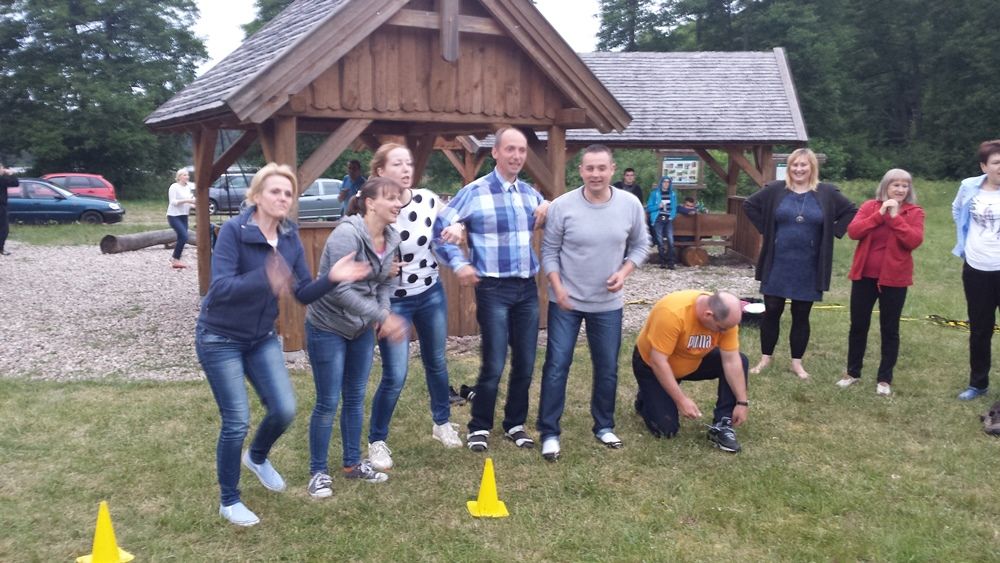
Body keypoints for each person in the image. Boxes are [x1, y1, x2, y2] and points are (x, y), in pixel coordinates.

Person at [195, 163, 370, 527]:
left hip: (260, 337)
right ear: (257, 195)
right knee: (236, 421)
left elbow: (302, 292)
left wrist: (332, 278)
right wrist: (265, 275)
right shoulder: (234, 231)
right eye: (275, 191)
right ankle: (229, 500)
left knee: (285, 409)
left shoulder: (289, 238)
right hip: (220, 337)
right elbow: (220, 287)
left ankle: (257, 457)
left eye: (288, 193)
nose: (283, 198)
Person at [433, 126, 550, 453]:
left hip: (526, 289)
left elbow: (554, 216)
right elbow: (440, 230)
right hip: (493, 289)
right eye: (510, 149)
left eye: (521, 150)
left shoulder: (529, 194)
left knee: (525, 362)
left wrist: (549, 204)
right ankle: (479, 426)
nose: (516, 156)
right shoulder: (474, 191)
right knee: (495, 362)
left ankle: (515, 424)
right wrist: (459, 263)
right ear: (496, 152)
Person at [537, 144, 649, 461]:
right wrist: (556, 286)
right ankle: (549, 432)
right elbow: (549, 251)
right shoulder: (562, 206)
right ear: (581, 171)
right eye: (589, 168)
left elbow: (641, 245)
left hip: (608, 304)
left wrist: (624, 272)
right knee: (557, 365)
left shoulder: (630, 204)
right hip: (566, 302)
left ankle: (604, 426)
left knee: (607, 367)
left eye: (601, 168)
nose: (595, 174)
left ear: (612, 170)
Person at [305, 176, 408, 499]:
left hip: (361, 328)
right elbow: (340, 290)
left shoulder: (391, 237)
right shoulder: (347, 234)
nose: (398, 204)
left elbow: (387, 281)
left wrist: (382, 312)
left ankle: (352, 464)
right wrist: (382, 317)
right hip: (327, 325)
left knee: (354, 397)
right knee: (328, 401)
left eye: (399, 198)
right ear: (370, 203)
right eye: (391, 198)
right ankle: (318, 472)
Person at [365, 143, 466, 473]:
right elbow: (358, 256)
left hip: (430, 293)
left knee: (437, 362)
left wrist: (457, 227)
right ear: (381, 171)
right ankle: (376, 440)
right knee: (395, 375)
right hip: (393, 302)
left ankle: (442, 423)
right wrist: (380, 268)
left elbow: (453, 221)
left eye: (409, 163)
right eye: (397, 164)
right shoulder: (374, 209)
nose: (406, 169)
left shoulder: (427, 199)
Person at [743, 148, 857, 379]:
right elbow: (749, 205)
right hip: (778, 261)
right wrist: (767, 228)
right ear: (789, 167)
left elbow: (851, 210)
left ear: (812, 167)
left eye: (803, 165)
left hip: (809, 263)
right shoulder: (776, 189)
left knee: (801, 314)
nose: (799, 169)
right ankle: (765, 358)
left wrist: (833, 231)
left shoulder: (826, 192)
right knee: (772, 310)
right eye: (794, 165)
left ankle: (797, 363)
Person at [838, 169, 924, 396]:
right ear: (886, 187)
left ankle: (884, 379)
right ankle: (852, 373)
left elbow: (914, 241)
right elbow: (853, 232)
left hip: (894, 280)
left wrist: (895, 218)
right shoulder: (870, 206)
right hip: (864, 277)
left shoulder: (914, 212)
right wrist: (880, 214)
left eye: (904, 186)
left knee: (890, 328)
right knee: (858, 325)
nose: (900, 189)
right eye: (896, 185)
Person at [632, 290, 749, 453]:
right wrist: (681, 400)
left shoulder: (726, 319)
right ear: (708, 315)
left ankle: (723, 424)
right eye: (721, 329)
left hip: (693, 361)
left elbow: (731, 361)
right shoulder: (672, 313)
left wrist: (742, 402)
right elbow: (658, 362)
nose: (724, 332)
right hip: (652, 366)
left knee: (741, 360)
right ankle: (646, 397)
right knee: (666, 430)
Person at [952, 140, 1000, 401]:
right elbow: (957, 209)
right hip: (977, 269)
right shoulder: (969, 187)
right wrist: (965, 241)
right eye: (996, 162)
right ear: (984, 166)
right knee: (980, 329)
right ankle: (978, 384)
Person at [646, 175, 678, 270]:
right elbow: (649, 208)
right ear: (661, 183)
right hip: (658, 219)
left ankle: (671, 262)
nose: (666, 184)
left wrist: (671, 216)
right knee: (660, 241)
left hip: (668, 219)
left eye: (668, 182)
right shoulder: (654, 194)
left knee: (671, 241)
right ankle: (663, 261)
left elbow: (674, 207)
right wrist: (658, 206)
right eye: (664, 182)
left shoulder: (672, 194)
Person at [166, 168, 196, 269]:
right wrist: (187, 201)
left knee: (181, 237)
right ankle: (175, 259)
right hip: (174, 216)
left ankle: (175, 258)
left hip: (184, 215)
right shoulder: (174, 187)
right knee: (184, 236)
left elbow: (190, 201)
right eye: (184, 175)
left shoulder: (188, 188)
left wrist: (193, 205)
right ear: (179, 177)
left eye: (187, 175)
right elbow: (173, 202)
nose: (187, 177)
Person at [0, 163, 17, 256]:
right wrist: (11, 174)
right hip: (1, 206)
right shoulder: (2, 179)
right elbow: (15, 183)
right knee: (4, 228)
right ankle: (1, 248)